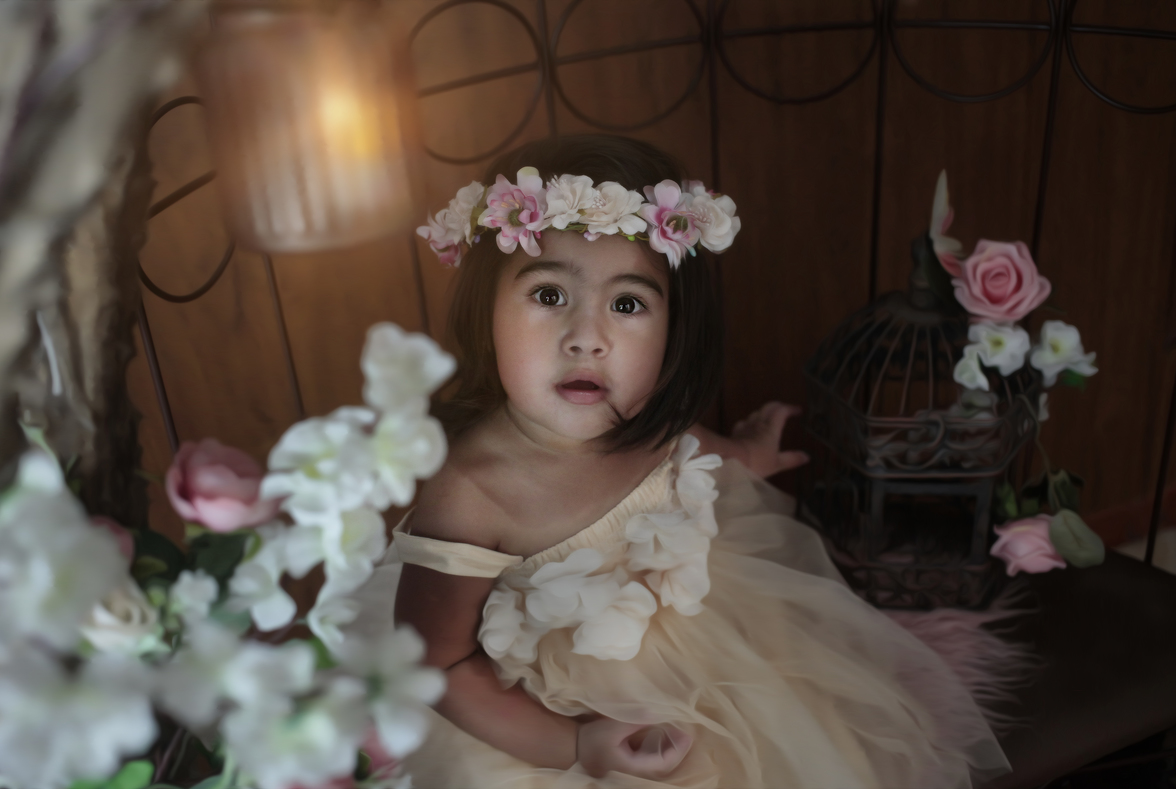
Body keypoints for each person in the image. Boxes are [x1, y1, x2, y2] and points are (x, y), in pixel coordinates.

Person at [374, 135, 1009, 787]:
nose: (587, 338)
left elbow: (692, 443)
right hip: (552, 711)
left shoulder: (649, 414)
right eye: (549, 295)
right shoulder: (472, 490)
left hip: (704, 639)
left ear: (674, 332)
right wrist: (575, 743)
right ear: (485, 311)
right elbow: (438, 662)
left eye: (627, 304)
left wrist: (750, 455)